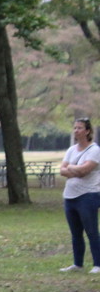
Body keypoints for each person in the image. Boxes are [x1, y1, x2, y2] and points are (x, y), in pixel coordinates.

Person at [59, 117, 100, 273]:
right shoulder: (71, 150)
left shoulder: (94, 150)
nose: (76, 131)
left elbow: (84, 171)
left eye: (80, 128)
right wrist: (74, 168)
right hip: (70, 196)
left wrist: (71, 167)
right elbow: (62, 170)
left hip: (88, 195)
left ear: (87, 131)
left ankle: (97, 264)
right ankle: (78, 264)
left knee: (91, 231)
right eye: (75, 128)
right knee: (75, 233)